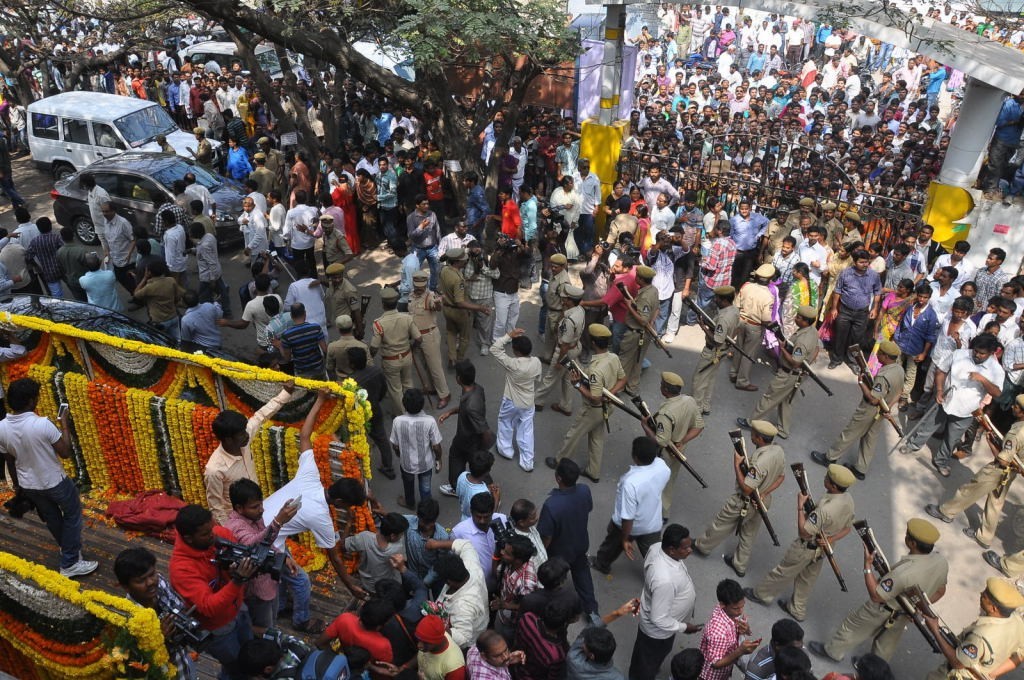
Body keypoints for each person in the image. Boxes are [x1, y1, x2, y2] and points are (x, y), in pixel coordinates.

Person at [807, 518, 949, 663]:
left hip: (882, 608)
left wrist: (867, 565)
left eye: (907, 536)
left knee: (852, 628)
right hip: (905, 613)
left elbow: (876, 595)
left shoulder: (904, 573)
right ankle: (873, 671)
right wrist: (917, 607)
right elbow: (940, 591)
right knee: (885, 646)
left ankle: (832, 651)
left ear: (912, 543)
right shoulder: (941, 562)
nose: (905, 537)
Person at [0, 378, 95, 577]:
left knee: (52, 518)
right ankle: (69, 563)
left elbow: (9, 459)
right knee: (72, 515)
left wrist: (19, 487)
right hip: (54, 481)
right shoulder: (42, 424)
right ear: (30, 401)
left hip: (29, 484)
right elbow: (66, 452)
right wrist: (65, 425)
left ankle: (68, 551)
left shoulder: (1, 427)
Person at [745, 465, 856, 622]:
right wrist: (830, 539)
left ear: (833, 485)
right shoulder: (848, 500)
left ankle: (762, 594)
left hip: (806, 547)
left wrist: (799, 507)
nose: (824, 478)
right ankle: (797, 609)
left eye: (827, 478)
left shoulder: (825, 510)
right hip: (824, 549)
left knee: (783, 571)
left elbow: (804, 532)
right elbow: (848, 528)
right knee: (807, 580)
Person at [924, 394, 1024, 548]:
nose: (1013, 407)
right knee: (996, 502)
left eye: (1016, 406)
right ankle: (985, 537)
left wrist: (991, 442)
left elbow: (1003, 460)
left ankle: (946, 512)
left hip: (999, 469)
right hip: (1011, 473)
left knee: (969, 490)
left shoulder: (1017, 432)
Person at [169, 505, 257, 680]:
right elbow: (209, 607)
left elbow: (238, 549)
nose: (213, 534)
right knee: (235, 667)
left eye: (212, 527)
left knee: (249, 654)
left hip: (239, 609)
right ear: (189, 538)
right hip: (219, 629)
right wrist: (237, 580)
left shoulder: (214, 535)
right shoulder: (181, 569)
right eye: (205, 533)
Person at [900, 334, 1005, 478]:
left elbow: (997, 393)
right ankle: (913, 445)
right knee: (928, 425)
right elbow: (941, 371)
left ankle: (941, 461)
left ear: (991, 353)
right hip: (945, 400)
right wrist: (939, 390)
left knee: (952, 439)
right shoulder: (959, 354)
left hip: (967, 410)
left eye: (982, 353)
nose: (978, 355)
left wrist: (982, 379)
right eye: (976, 351)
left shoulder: (996, 369)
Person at [693, 420, 786, 578]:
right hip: (763, 501)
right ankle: (740, 564)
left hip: (745, 501)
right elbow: (781, 477)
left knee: (720, 525)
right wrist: (763, 493)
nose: (751, 436)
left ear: (759, 438)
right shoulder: (778, 451)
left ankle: (702, 546)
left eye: (754, 434)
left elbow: (747, 488)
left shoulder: (760, 462)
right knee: (749, 534)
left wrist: (736, 464)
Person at [204, 381, 294, 526]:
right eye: (241, 434)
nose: (247, 435)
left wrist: (286, 394)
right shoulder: (214, 469)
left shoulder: (243, 439)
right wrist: (232, 532)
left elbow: (261, 416)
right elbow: (216, 507)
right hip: (238, 523)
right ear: (228, 439)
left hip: (257, 510)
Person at [544, 324, 626, 483]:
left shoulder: (596, 370)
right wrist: (610, 393)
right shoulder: (613, 358)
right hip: (608, 407)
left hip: (593, 409)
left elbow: (594, 397)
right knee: (596, 438)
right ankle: (593, 471)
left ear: (594, 343)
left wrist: (577, 385)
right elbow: (623, 379)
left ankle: (560, 460)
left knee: (573, 434)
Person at [811, 341, 904, 479]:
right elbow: (900, 392)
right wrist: (888, 407)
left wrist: (861, 383)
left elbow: (873, 399)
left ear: (886, 356)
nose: (877, 355)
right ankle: (861, 469)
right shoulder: (899, 370)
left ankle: (830, 457)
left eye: (879, 353)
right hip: (882, 411)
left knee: (850, 432)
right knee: (869, 439)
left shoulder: (884, 377)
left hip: (870, 409)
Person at [222, 479, 299, 635]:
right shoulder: (235, 527)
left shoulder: (255, 517)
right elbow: (253, 544)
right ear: (239, 508)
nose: (261, 510)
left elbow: (267, 544)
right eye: (255, 507)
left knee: (272, 619)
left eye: (261, 504)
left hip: (270, 582)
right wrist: (278, 522)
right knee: (264, 628)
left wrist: (282, 556)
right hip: (257, 591)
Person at [627, 524, 700, 680]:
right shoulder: (664, 580)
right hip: (658, 633)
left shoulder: (657, 547)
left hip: (665, 627)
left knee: (650, 658)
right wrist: (684, 627)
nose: (690, 550)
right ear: (672, 549)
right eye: (685, 548)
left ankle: (650, 668)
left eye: (690, 545)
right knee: (645, 664)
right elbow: (659, 618)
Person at [737, 304, 821, 439]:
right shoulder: (812, 331)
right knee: (786, 401)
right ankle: (783, 429)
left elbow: (795, 362)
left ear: (806, 321)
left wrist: (782, 348)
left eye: (798, 317)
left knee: (769, 397)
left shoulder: (803, 340)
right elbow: (816, 349)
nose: (795, 318)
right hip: (798, 375)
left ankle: (751, 422)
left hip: (788, 374)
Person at [114, 547, 197, 680]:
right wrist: (160, 639)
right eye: (141, 581)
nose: (151, 582)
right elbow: (139, 665)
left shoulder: (160, 583)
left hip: (184, 662)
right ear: (125, 586)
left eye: (152, 574)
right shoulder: (127, 620)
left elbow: (180, 609)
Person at [922, 577, 1024, 680]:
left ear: (994, 608)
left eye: (984, 597)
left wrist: (935, 630)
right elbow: (1020, 654)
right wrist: (994, 673)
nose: (980, 594)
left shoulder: (980, 636)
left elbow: (957, 663)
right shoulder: (1018, 622)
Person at [638, 371, 703, 517]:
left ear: (665, 390)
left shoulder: (665, 414)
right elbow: (699, 426)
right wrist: (682, 441)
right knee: (670, 481)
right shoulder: (689, 400)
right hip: (680, 449)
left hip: (665, 454)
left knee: (656, 482)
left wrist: (645, 426)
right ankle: (664, 512)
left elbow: (661, 440)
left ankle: (651, 513)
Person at [538, 457, 597, 616]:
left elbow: (546, 537)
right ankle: (593, 612)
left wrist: (540, 555)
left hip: (559, 553)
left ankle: (552, 611)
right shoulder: (584, 490)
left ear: (558, 478)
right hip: (580, 545)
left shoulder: (551, 505)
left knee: (552, 581)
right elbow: (588, 508)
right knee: (583, 577)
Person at [438, 360, 494, 496]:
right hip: (465, 439)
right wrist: (450, 412)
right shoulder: (477, 389)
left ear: (458, 379)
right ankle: (459, 487)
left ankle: (489, 492)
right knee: (467, 462)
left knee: (476, 465)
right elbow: (464, 409)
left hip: (470, 441)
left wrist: (483, 450)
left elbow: (485, 431)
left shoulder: (470, 406)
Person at [491, 328, 542, 472]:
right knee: (526, 430)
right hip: (528, 402)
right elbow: (537, 379)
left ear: (516, 351)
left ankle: (506, 450)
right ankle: (527, 462)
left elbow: (495, 349)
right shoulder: (536, 362)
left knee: (505, 422)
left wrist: (508, 336)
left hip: (511, 402)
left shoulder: (512, 364)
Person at [425, 539, 490, 650]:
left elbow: (463, 637)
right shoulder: (470, 566)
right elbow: (466, 545)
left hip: (468, 641)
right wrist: (436, 544)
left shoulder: (463, 606)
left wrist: (438, 628)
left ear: (448, 582)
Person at [826, 249, 882, 369]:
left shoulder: (874, 275)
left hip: (862, 313)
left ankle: (852, 361)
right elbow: (837, 291)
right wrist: (834, 308)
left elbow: (877, 292)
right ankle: (836, 359)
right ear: (855, 262)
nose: (865, 265)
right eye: (861, 262)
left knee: (857, 339)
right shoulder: (846, 273)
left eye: (866, 262)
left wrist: (875, 308)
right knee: (840, 335)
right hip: (845, 311)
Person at [369, 286, 421, 415]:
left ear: (382, 304)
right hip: (407, 356)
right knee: (408, 384)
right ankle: (413, 410)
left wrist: (370, 356)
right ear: (396, 302)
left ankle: (403, 414)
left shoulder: (379, 323)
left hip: (390, 360)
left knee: (395, 389)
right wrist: (412, 349)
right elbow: (419, 338)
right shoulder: (407, 318)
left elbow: (374, 346)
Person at [535, 284, 585, 415]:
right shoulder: (580, 310)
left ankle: (536, 401)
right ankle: (566, 405)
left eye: (565, 298)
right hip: (576, 347)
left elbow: (564, 344)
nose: (563, 300)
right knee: (568, 378)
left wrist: (559, 361)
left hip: (565, 351)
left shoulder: (569, 320)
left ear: (570, 301)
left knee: (551, 377)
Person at [690, 286, 739, 416]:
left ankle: (697, 409)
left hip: (713, 351)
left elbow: (718, 340)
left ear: (723, 300)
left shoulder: (723, 318)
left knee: (699, 379)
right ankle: (705, 405)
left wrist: (703, 327)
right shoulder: (734, 310)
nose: (715, 300)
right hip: (722, 351)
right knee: (710, 379)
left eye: (717, 298)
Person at [390, 388, 442, 510]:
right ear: (422, 404)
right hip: (425, 464)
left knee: (408, 485)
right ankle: (426, 508)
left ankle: (410, 503)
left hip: (406, 464)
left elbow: (395, 445)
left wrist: (399, 454)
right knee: (425, 489)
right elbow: (436, 446)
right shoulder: (430, 421)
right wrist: (439, 459)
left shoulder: (397, 421)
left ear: (404, 404)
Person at [698, 579, 761, 680]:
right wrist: (740, 650)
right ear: (723, 604)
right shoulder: (718, 633)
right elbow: (715, 664)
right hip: (712, 676)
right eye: (736, 608)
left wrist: (746, 629)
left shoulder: (728, 611)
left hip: (725, 669)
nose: (741, 611)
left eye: (743, 606)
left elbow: (741, 627)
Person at [409, 270, 451, 408]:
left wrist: (439, 303)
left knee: (435, 367)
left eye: (422, 285)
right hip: (416, 336)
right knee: (422, 365)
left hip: (429, 335)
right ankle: (431, 387)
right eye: (417, 285)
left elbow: (436, 307)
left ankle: (444, 394)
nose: (419, 288)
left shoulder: (430, 296)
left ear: (426, 283)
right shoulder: (411, 296)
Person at [439, 248, 489, 364]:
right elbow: (460, 302)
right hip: (459, 312)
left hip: (447, 309)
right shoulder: (458, 279)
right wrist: (480, 308)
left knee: (451, 332)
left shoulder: (445, 270)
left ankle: (452, 357)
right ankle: (459, 358)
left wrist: (468, 279)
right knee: (464, 337)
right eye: (463, 260)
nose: (465, 262)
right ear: (456, 261)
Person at [342, 513, 410, 596]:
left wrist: (349, 524)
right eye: (401, 534)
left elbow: (343, 546)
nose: (402, 536)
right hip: (389, 588)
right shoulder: (397, 547)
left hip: (368, 586)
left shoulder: (364, 538)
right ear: (392, 536)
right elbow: (403, 562)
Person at [731, 264, 775, 391]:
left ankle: (733, 373)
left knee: (738, 348)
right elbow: (766, 319)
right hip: (755, 326)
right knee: (748, 354)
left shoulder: (746, 286)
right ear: (770, 279)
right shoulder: (768, 296)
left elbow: (737, 305)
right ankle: (742, 381)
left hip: (741, 321)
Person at [618, 265, 659, 393]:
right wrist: (651, 323)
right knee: (637, 361)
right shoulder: (653, 290)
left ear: (641, 279)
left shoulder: (645, 296)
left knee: (624, 362)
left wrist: (628, 305)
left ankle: (617, 389)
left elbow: (642, 320)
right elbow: (657, 309)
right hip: (645, 333)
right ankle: (632, 387)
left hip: (635, 333)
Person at [451, 491, 508, 579]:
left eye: (486, 517)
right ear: (471, 511)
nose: (482, 521)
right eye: (478, 517)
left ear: (492, 511)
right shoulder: (459, 532)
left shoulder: (503, 520)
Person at [272, 303, 328, 379]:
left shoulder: (287, 335)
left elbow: (287, 359)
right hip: (318, 369)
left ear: (291, 316)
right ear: (305, 313)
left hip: (302, 372)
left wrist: (279, 346)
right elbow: (325, 350)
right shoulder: (316, 328)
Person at [133, 259, 184, 341]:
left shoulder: (150, 287)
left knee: (162, 341)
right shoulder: (171, 280)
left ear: (149, 272)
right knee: (177, 340)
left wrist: (144, 278)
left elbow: (136, 294)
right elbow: (179, 296)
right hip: (173, 316)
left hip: (159, 321)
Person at [415, 614, 466, 680]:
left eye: (425, 642)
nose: (419, 645)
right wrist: (405, 667)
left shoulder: (454, 668)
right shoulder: (433, 636)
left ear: (437, 641)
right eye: (418, 640)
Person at [325, 314, 368, 380]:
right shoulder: (363, 346)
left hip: (341, 381)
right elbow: (369, 365)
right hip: (360, 379)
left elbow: (330, 367)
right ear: (353, 326)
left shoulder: (332, 347)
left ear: (338, 329)